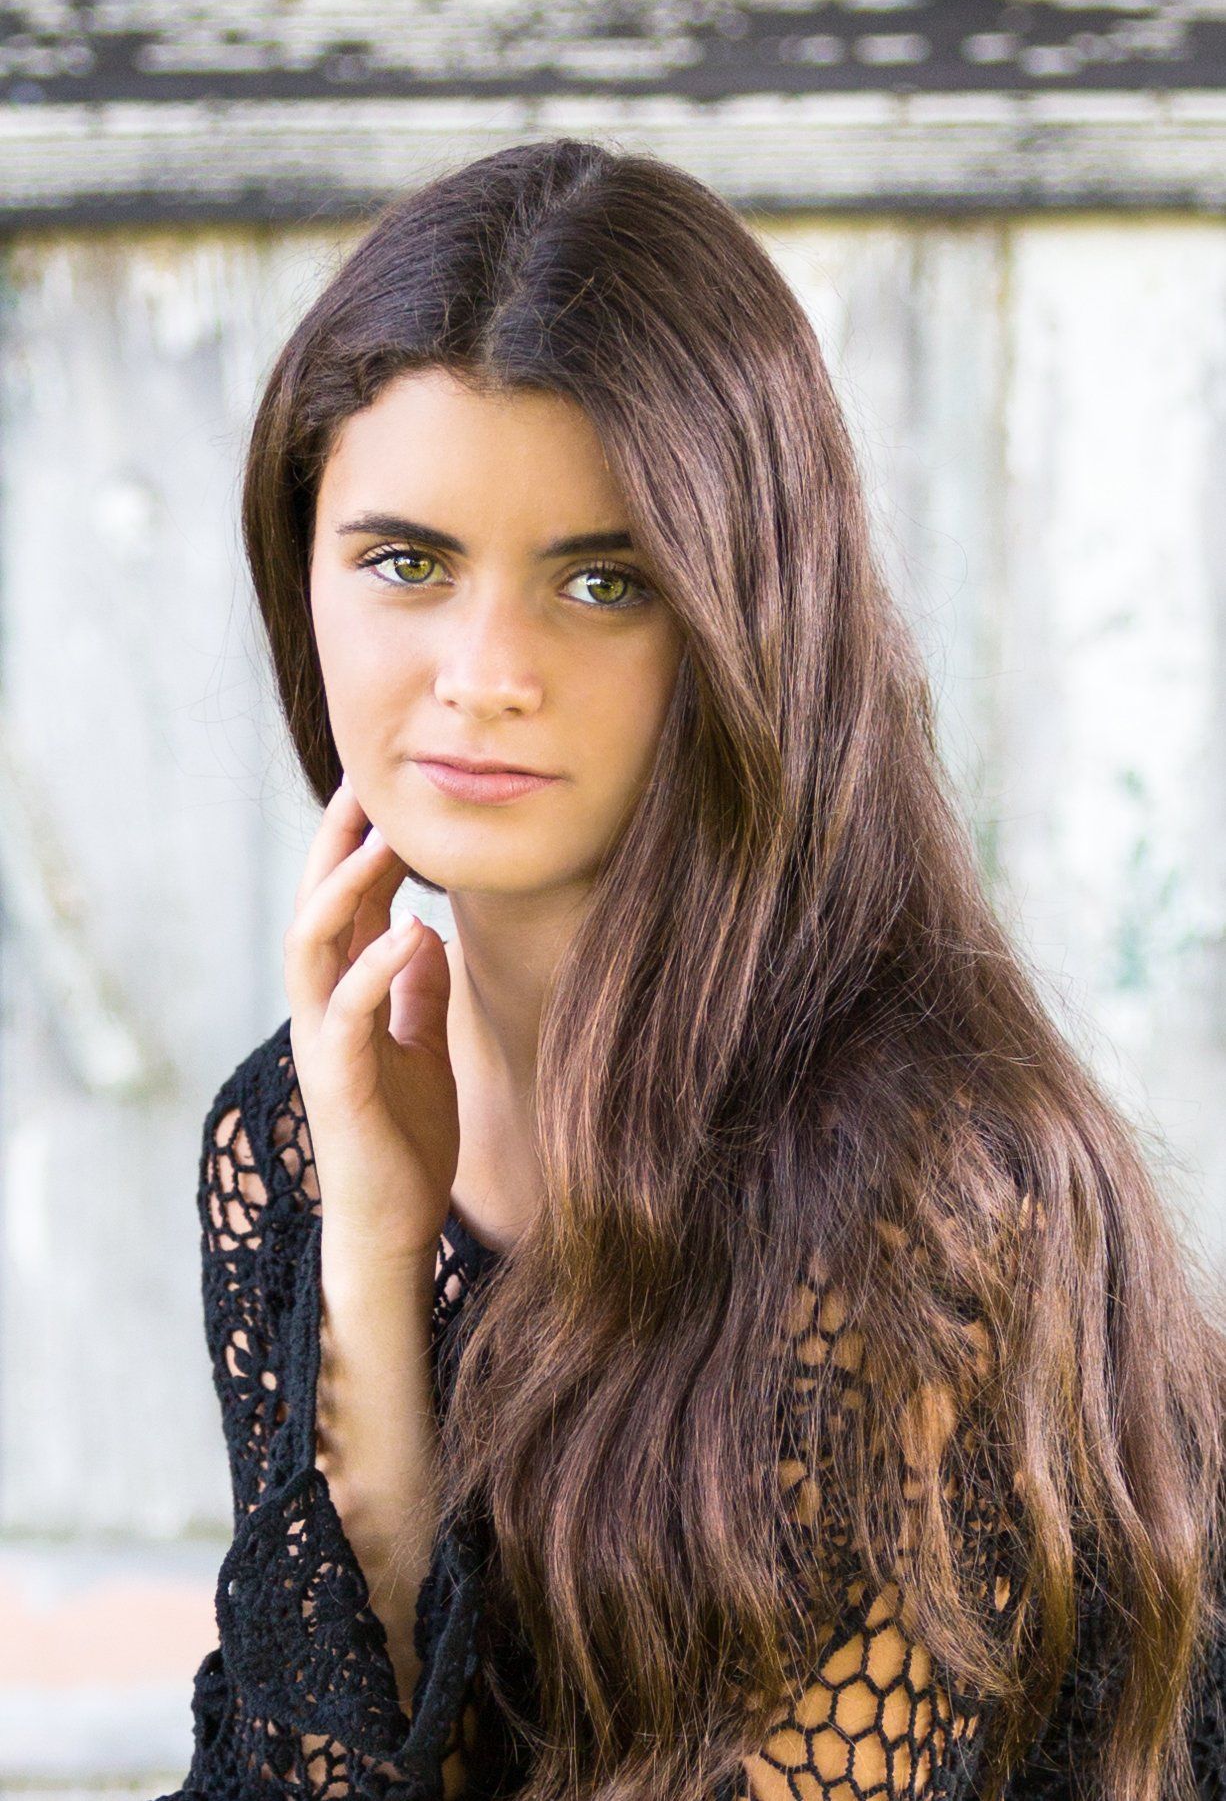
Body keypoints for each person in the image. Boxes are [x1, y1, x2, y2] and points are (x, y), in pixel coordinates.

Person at [157, 137, 1225, 1801]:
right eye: (404, 562)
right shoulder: (297, 1134)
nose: (483, 674)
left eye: (604, 581)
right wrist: (369, 1250)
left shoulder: (932, 1214)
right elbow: (297, 1772)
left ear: (749, 618)